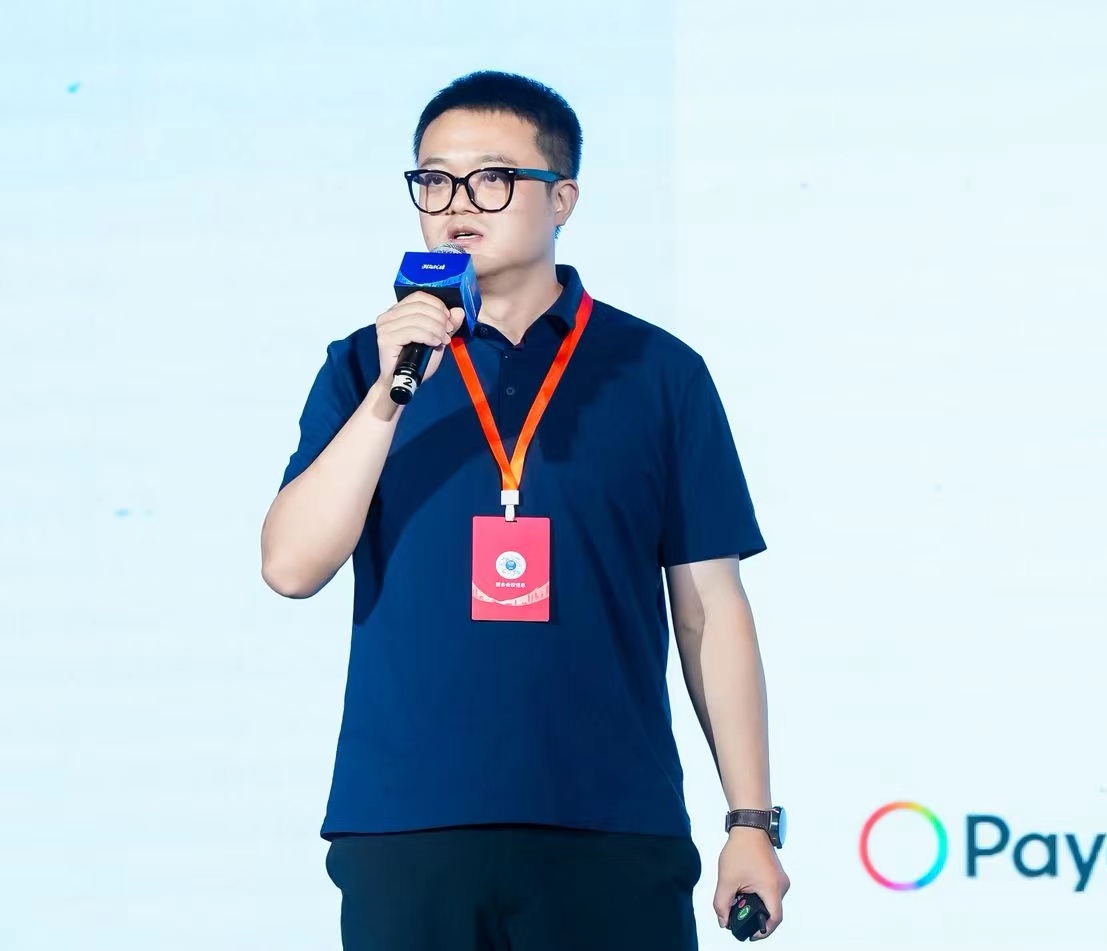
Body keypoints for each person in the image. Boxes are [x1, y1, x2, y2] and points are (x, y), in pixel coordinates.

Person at [260, 70, 790, 950]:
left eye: (491, 179)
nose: (457, 205)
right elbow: (290, 566)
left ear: (562, 198)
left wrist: (750, 820)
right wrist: (389, 397)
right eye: (434, 181)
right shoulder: (364, 365)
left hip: (612, 825)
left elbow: (711, 611)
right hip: (407, 825)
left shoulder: (658, 372)